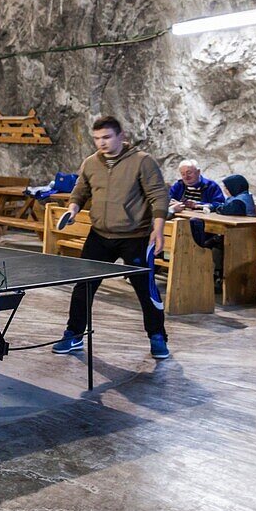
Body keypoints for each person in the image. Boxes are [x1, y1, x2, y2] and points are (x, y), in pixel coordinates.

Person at [52, 116, 171, 360]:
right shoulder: (90, 163)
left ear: (120, 136)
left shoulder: (142, 162)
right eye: (96, 139)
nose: (101, 143)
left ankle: (157, 336)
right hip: (99, 235)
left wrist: (157, 230)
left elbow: (158, 196)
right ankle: (73, 334)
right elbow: (80, 191)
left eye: (106, 137)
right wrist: (72, 209)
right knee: (83, 286)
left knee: (145, 289)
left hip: (135, 236)